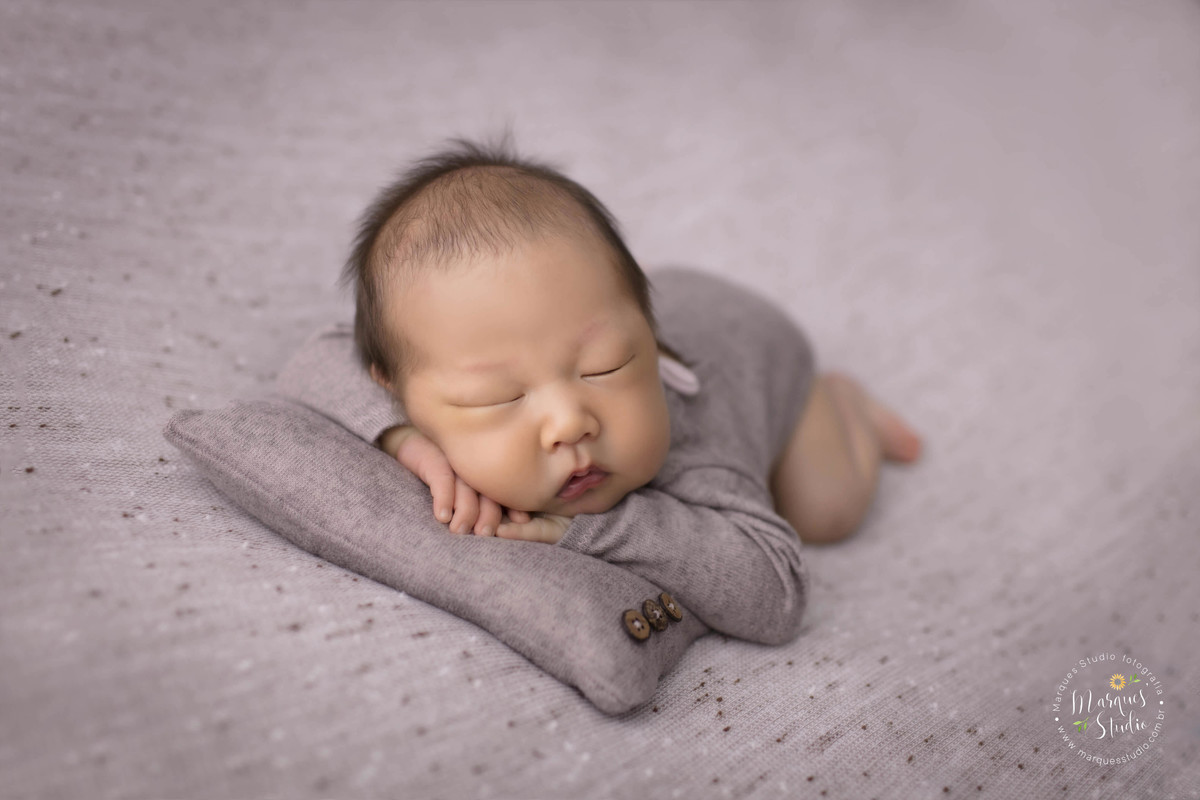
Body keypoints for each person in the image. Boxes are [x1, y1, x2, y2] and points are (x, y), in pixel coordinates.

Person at [275, 138, 922, 644]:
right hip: (607, 307)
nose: (569, 422)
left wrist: (597, 529)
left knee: (824, 513)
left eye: (607, 368)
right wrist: (408, 440)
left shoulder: (697, 452)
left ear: (648, 330)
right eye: (496, 398)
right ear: (397, 389)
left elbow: (775, 594)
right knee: (565, 323)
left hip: (760, 349)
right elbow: (312, 360)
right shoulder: (431, 371)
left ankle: (842, 402)